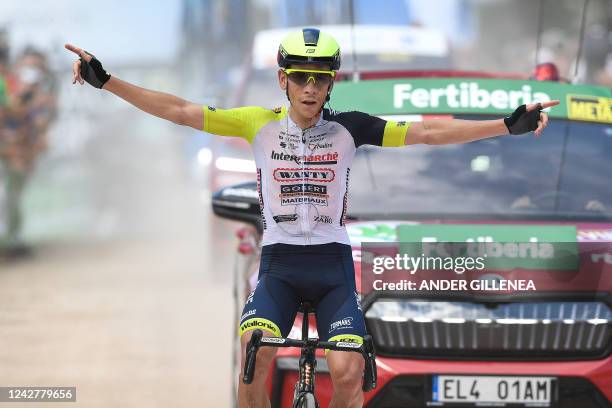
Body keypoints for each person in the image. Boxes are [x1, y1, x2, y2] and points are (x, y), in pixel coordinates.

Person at [65, 28, 559, 408]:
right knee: (253, 354)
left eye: (320, 77)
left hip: (332, 268)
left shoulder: (351, 128)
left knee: (346, 371)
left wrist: (505, 126)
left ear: (331, 82)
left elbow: (428, 133)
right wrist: (105, 81)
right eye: (300, 76)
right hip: (279, 266)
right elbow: (178, 109)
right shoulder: (254, 123)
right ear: (283, 79)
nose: (310, 86)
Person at [0, 47, 56, 257]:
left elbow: (35, 125)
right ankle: (11, 238)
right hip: (12, 148)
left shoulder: (36, 94)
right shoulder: (8, 86)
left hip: (17, 149)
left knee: (12, 192)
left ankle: (12, 238)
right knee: (10, 191)